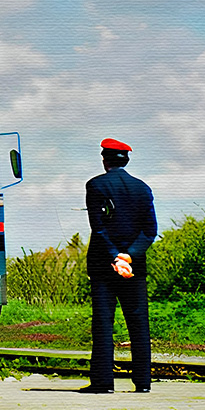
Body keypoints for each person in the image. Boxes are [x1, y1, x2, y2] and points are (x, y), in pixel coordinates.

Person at [82, 138, 157, 394]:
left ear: (105, 160)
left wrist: (115, 256)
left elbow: (99, 228)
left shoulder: (95, 186)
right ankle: (143, 383)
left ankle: (103, 383)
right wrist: (129, 256)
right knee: (138, 324)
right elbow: (150, 231)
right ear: (126, 159)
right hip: (134, 268)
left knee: (103, 323)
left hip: (104, 266)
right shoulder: (143, 189)